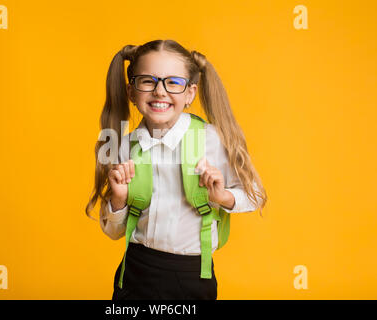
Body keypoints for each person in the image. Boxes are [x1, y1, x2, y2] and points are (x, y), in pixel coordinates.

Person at [85, 39, 267, 300]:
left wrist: (222, 197)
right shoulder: (125, 146)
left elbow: (256, 195)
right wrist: (118, 199)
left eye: (173, 82)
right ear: (132, 92)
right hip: (135, 270)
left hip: (191, 274)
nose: (160, 91)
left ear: (190, 93)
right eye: (147, 81)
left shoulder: (212, 140)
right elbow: (113, 231)